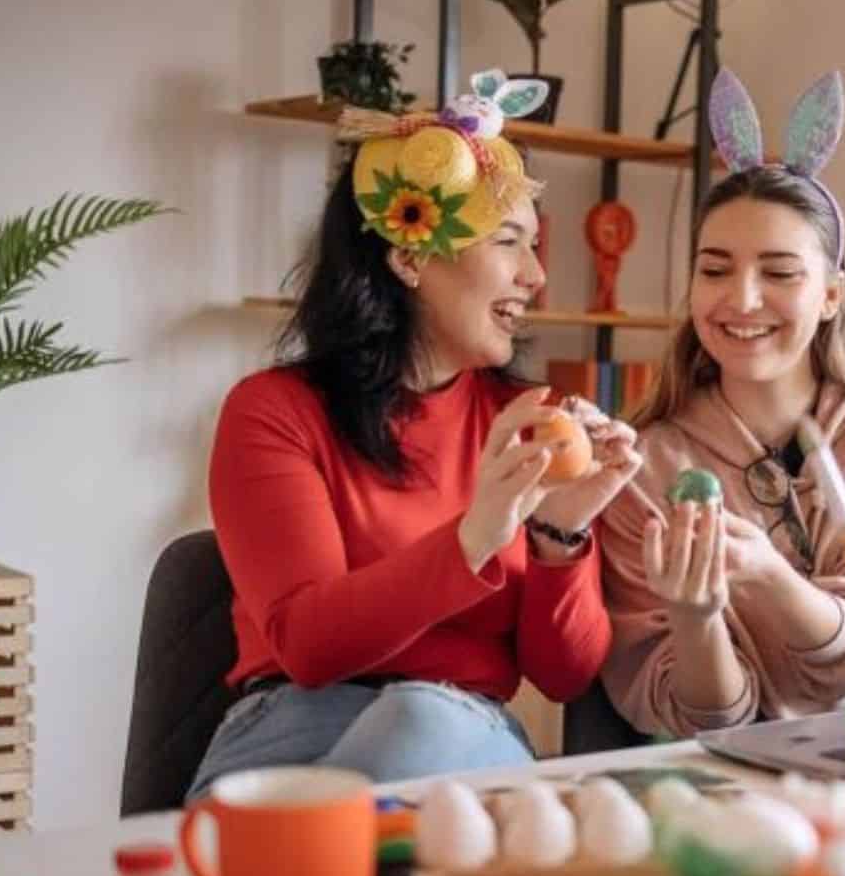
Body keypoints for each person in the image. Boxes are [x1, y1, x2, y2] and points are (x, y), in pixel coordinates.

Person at [187, 70, 641, 799]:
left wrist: (562, 537)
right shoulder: (273, 411)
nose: (535, 275)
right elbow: (309, 649)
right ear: (409, 256)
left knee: (418, 721)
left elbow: (565, 675)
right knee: (406, 731)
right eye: (509, 243)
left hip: (459, 735)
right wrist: (475, 535)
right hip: (288, 733)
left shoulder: (528, 421)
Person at [599, 69, 845, 738]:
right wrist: (697, 615)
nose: (740, 299)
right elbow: (701, 720)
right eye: (714, 270)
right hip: (728, 786)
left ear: (830, 295)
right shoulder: (642, 467)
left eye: (779, 272)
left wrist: (768, 576)